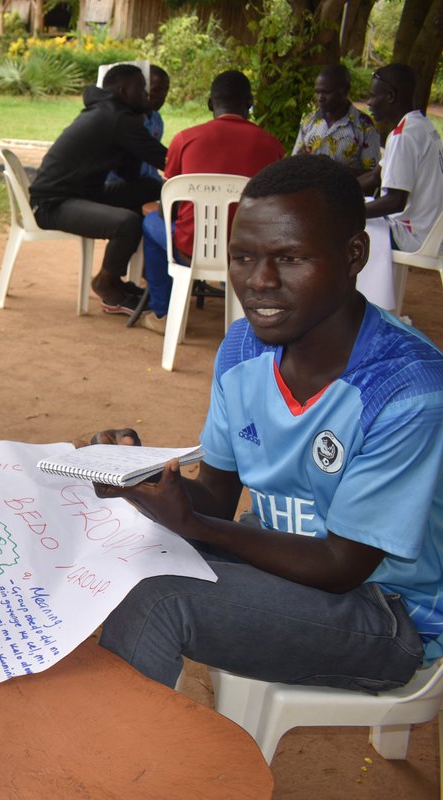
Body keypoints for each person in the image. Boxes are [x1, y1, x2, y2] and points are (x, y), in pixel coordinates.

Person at [90, 155, 443, 693]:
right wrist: (142, 480)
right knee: (118, 550)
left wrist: (198, 528)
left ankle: (116, 771)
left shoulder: (406, 388)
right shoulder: (243, 348)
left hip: (388, 610)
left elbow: (341, 564)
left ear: (354, 255)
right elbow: (214, 493)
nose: (259, 282)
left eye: (290, 257)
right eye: (243, 257)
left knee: (158, 600)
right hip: (279, 552)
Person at [135, 70, 284, 333]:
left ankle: (163, 314)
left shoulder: (185, 139)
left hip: (190, 249)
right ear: (249, 102)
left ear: (209, 103)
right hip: (248, 253)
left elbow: (168, 201)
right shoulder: (272, 145)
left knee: (150, 222)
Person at [29, 63, 167, 315]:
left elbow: (130, 172)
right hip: (53, 202)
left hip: (83, 192)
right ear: (124, 91)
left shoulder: (114, 113)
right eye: (141, 89)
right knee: (127, 222)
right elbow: (166, 161)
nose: (147, 95)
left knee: (148, 187)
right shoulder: (115, 117)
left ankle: (145, 272)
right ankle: (107, 284)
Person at [362, 62, 443, 252]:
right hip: (431, 231)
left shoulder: (403, 135)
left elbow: (395, 202)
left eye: (373, 96)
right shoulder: (421, 125)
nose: (369, 103)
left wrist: (347, 211)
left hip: (413, 237)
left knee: (340, 227)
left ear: (390, 96)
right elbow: (376, 176)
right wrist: (336, 191)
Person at [291, 64, 380, 175]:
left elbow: (373, 176)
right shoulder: (309, 120)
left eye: (326, 92)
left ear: (345, 90)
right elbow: (293, 163)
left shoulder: (364, 126)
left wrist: (334, 170)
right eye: (317, 92)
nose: (320, 98)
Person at [107, 64, 169, 185]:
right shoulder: (126, 121)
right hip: (118, 184)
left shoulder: (156, 119)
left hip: (149, 180)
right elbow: (162, 158)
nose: (162, 95)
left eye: (166, 90)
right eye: (156, 90)